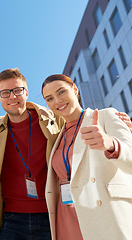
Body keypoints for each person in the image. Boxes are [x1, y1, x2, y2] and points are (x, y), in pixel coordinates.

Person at [42, 74, 132, 239]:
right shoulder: (57, 138)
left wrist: (111, 144)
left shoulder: (106, 116)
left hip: (102, 214)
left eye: (61, 92)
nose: (57, 101)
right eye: (49, 98)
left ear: (75, 89)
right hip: (65, 216)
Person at [0, 68, 63, 239]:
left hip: (51, 213)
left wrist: (113, 121)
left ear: (26, 92)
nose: (12, 96)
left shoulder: (54, 119)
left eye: (17, 90)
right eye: (5, 93)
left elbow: (79, 125)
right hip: (12, 218)